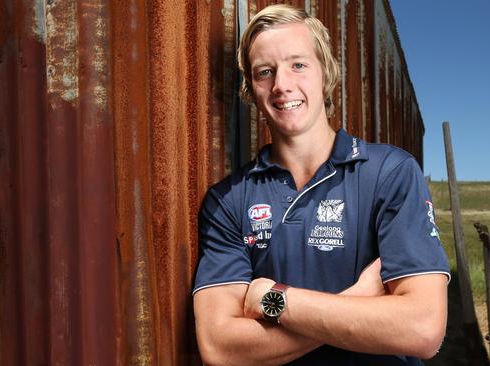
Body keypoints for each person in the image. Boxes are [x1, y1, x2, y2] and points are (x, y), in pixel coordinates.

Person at [192, 4, 450, 365]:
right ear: (252, 89)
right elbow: (220, 347)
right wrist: (359, 298)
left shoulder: (390, 173)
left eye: (298, 65)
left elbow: (422, 329)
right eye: (265, 72)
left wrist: (274, 299)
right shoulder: (228, 200)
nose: (282, 85)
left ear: (326, 73)